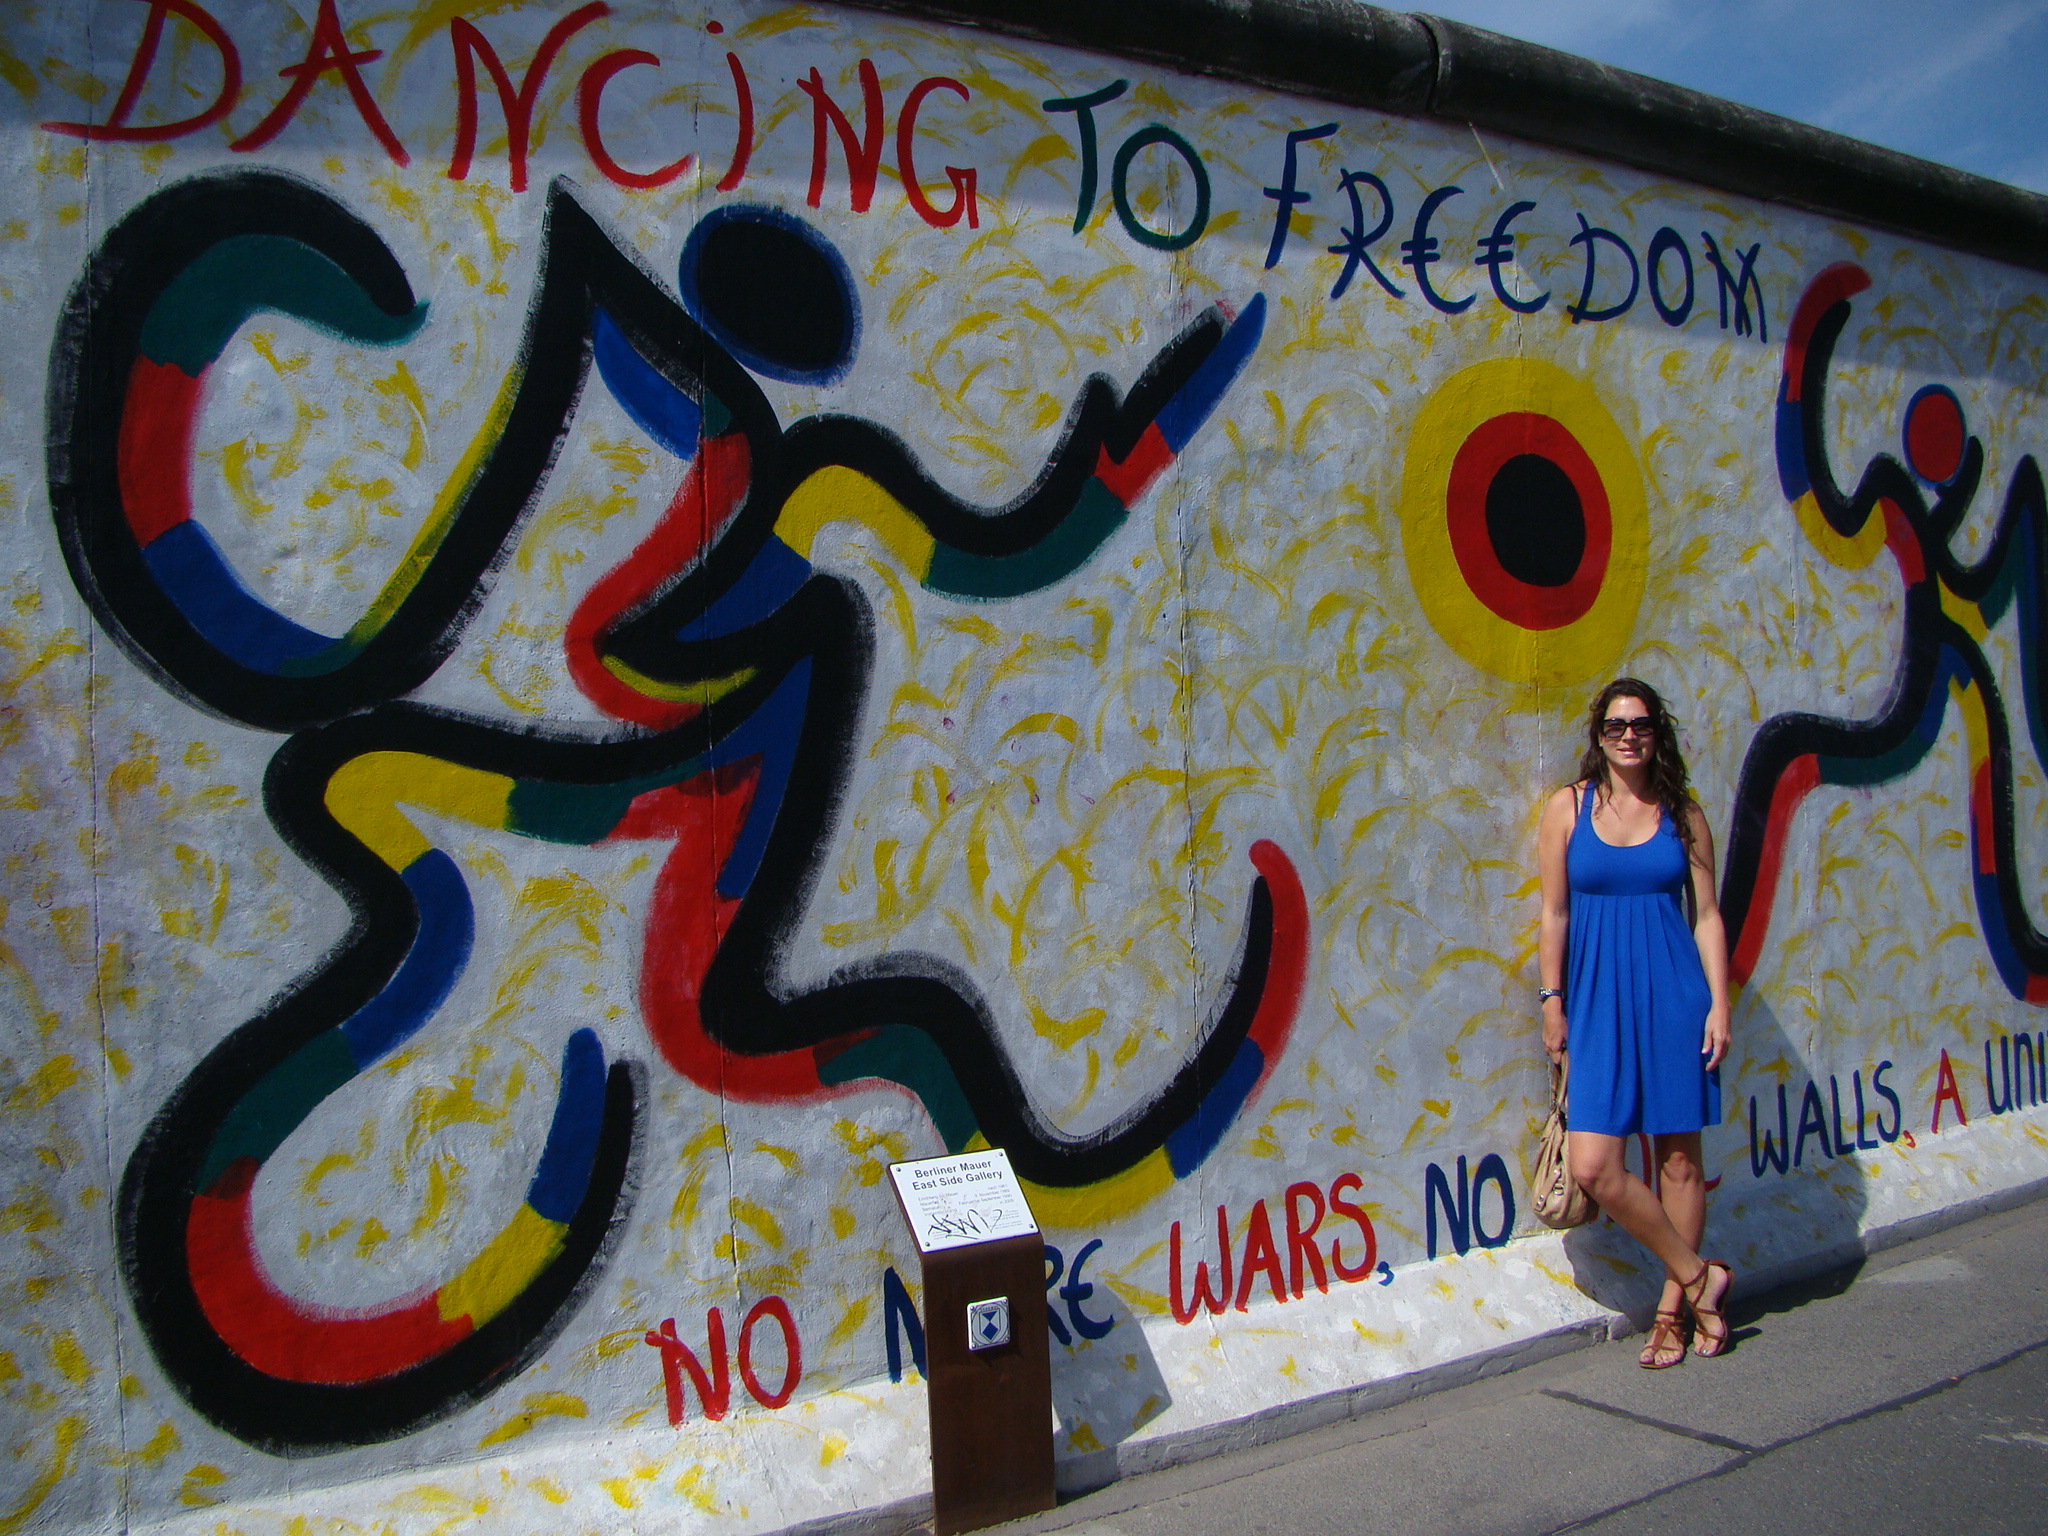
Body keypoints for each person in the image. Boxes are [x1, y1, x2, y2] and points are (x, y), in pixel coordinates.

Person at [1536, 678, 1734, 1368]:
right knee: (1596, 1165)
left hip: (1674, 999)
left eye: (1641, 724)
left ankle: (1673, 1315)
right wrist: (1552, 1001)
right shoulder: (1568, 809)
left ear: (1658, 733)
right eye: (1616, 725)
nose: (1629, 736)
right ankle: (1701, 1276)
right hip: (1596, 1003)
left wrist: (1719, 1004)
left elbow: (1707, 916)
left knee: (1679, 1161)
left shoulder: (1684, 815)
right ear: (1598, 735)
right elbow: (1554, 913)